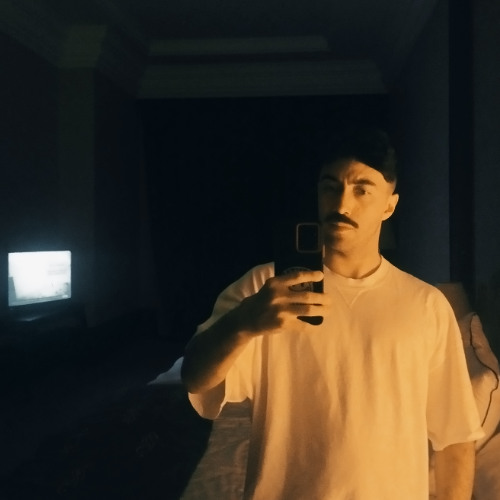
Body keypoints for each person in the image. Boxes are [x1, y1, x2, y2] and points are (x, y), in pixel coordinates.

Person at [181, 128, 484, 499]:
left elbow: (455, 437)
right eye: (330, 187)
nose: (342, 204)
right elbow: (195, 378)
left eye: (362, 189)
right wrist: (243, 323)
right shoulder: (266, 288)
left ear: (389, 206)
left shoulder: (426, 306)